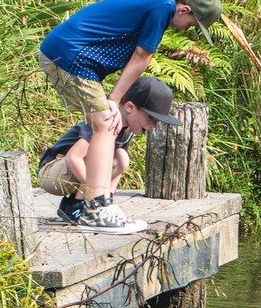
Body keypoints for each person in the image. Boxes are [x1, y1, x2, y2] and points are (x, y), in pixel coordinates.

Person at [37, 0, 221, 233]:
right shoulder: (162, 7)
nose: (187, 30)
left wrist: (113, 98)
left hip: (69, 55)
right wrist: (114, 99)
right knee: (106, 124)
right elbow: (142, 56)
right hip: (71, 56)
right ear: (184, 10)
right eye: (191, 24)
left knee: (106, 127)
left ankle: (96, 205)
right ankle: (96, 208)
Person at [38, 75, 181, 227]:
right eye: (151, 118)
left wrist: (103, 196)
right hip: (52, 173)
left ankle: (102, 206)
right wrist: (94, 188)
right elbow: (74, 157)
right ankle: (81, 206)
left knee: (121, 158)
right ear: (130, 108)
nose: (153, 125)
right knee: (102, 159)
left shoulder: (126, 131)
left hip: (71, 174)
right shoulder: (104, 122)